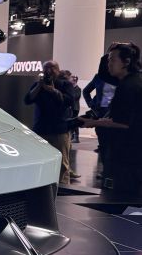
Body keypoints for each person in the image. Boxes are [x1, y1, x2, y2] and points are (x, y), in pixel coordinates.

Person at [80, 43, 142, 194]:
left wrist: (93, 122)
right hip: (132, 154)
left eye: (113, 60)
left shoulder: (128, 86)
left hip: (129, 155)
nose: (109, 64)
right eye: (108, 60)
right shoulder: (134, 81)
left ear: (126, 62)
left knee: (123, 196)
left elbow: (123, 123)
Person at [24, 60, 76, 184]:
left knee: (62, 164)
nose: (49, 70)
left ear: (58, 70)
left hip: (59, 131)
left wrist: (53, 90)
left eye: (52, 67)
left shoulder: (65, 85)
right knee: (40, 160)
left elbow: (69, 101)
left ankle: (63, 189)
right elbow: (27, 100)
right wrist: (39, 86)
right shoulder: (38, 85)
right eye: (46, 68)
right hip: (40, 130)